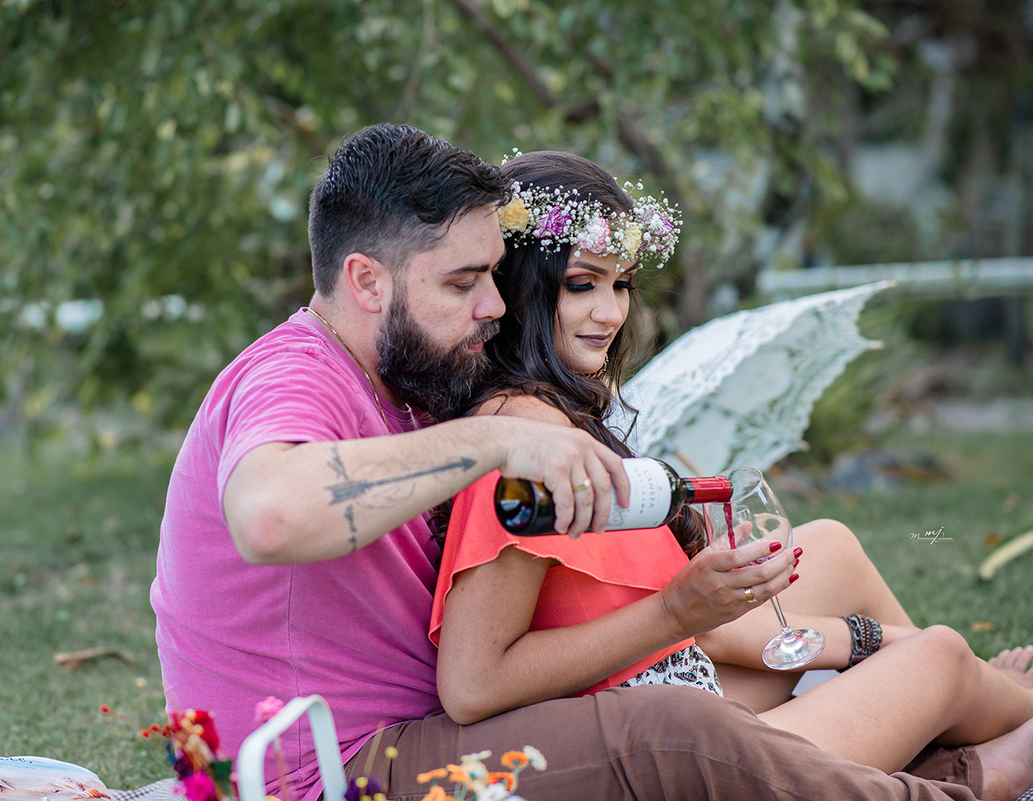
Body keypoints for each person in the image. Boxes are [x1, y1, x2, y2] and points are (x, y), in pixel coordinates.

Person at [151, 122, 1025, 801]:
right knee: (671, 727)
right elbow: (271, 513)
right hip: (334, 769)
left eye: (498, 276)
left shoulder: (417, 376)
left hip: (431, 723)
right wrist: (498, 440)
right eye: (463, 282)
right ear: (367, 281)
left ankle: (963, 718)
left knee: (809, 591)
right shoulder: (293, 375)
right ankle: (977, 776)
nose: (496, 306)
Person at [428, 149, 1033, 800]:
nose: (610, 313)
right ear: (518, 286)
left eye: (621, 284)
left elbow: (701, 627)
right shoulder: (526, 442)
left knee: (832, 548)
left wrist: (849, 638)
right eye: (582, 284)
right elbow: (472, 685)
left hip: (680, 670)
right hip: (660, 734)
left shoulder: (557, 413)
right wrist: (874, 642)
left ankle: (947, 716)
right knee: (939, 656)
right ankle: (990, 742)